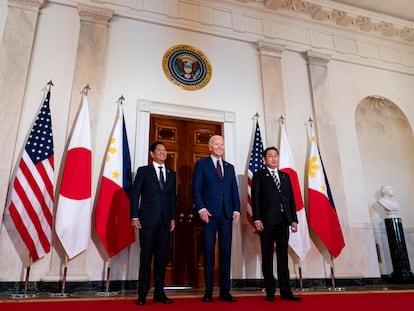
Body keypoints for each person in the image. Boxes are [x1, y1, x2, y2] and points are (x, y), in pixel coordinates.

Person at [192, 135, 240, 303]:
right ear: (210, 147)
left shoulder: (230, 167)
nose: (220, 147)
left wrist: (236, 209)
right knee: (208, 253)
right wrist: (201, 209)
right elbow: (196, 189)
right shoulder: (201, 164)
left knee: (226, 253)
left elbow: (234, 189)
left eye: (222, 144)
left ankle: (225, 291)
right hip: (209, 216)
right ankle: (209, 290)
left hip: (227, 215)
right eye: (216, 144)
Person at [251, 146, 301, 302]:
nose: (273, 158)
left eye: (275, 156)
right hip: (266, 222)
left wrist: (293, 219)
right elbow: (256, 198)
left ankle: (286, 291)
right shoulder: (259, 175)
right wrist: (257, 218)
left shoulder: (285, 176)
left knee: (282, 257)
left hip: (283, 222)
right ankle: (270, 291)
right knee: (267, 257)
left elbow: (290, 199)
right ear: (264, 159)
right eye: (270, 156)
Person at [130, 141, 176, 305]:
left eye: (165, 150)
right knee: (146, 258)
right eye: (160, 150)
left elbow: (172, 198)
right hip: (147, 221)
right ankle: (142, 294)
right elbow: (135, 195)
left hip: (165, 222)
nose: (163, 152)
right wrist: (134, 216)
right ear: (152, 154)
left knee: (162, 259)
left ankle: (159, 292)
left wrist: (172, 218)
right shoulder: (144, 171)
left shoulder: (172, 173)